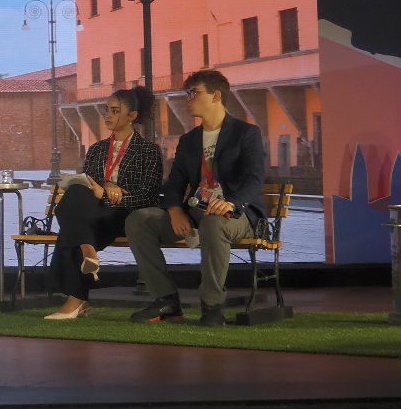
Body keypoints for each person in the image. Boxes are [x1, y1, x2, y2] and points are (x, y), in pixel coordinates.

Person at [124, 69, 268, 327]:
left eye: (193, 93)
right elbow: (175, 182)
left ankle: (212, 307)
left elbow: (254, 178)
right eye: (187, 93)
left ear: (216, 96)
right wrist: (174, 210)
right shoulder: (189, 140)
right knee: (140, 220)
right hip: (195, 212)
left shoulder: (246, 133)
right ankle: (166, 301)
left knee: (214, 221)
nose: (187, 98)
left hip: (236, 214)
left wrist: (232, 202)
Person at [43, 87, 164, 319]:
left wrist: (108, 194)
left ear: (132, 115)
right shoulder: (96, 149)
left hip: (125, 215)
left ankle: (78, 293)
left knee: (73, 226)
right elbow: (89, 186)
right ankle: (86, 250)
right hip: (93, 214)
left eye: (115, 111)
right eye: (106, 110)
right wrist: (105, 186)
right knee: (76, 192)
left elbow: (148, 196)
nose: (107, 115)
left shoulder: (148, 151)